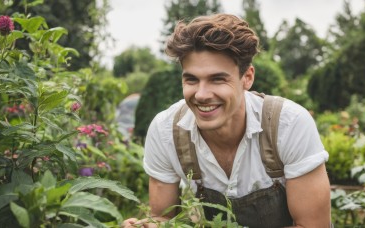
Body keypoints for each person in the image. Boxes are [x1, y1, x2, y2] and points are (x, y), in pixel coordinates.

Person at [123, 13, 331, 227]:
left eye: (217, 79)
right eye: (192, 79)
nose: (202, 94)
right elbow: (164, 217)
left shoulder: (289, 124)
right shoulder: (166, 131)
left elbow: (313, 225)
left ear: (247, 77)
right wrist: (149, 225)